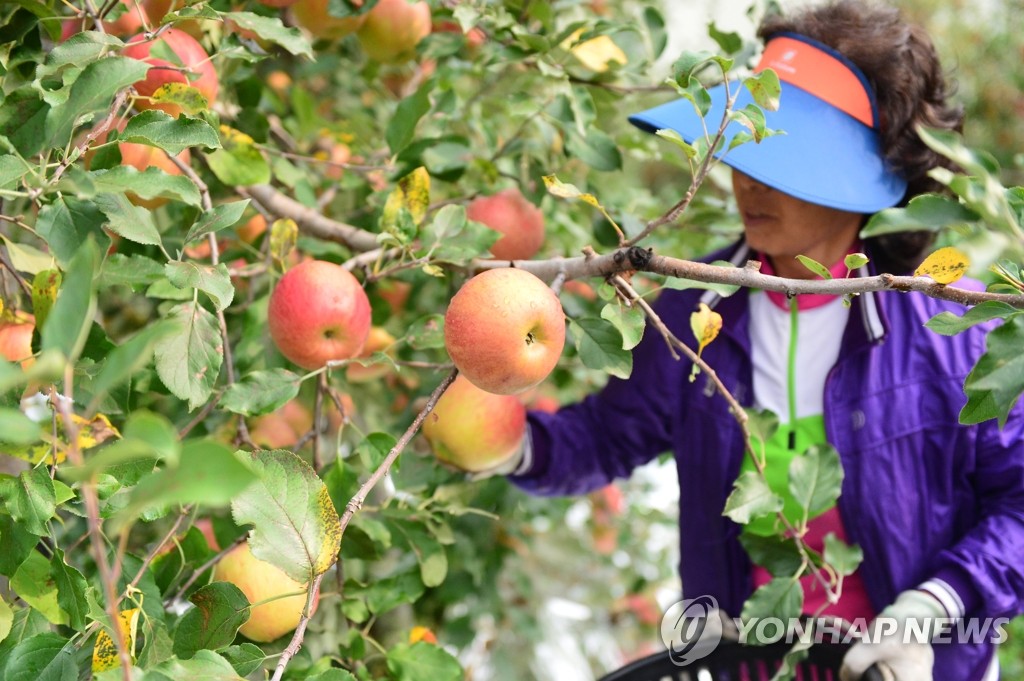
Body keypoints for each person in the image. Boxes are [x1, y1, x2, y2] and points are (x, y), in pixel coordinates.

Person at [462, 1, 1024, 679]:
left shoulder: (952, 336)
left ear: (868, 180)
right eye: (745, 147)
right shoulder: (697, 316)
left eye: (788, 160)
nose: (749, 180)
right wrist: (500, 441)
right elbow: (608, 436)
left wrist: (936, 605)